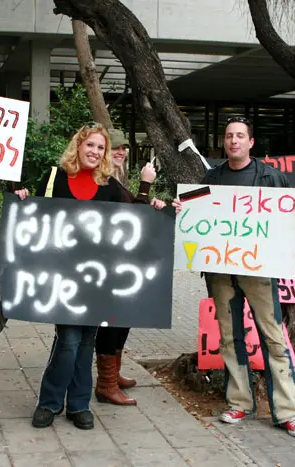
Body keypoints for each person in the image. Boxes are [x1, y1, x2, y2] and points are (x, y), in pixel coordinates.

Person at [201, 116, 295, 437]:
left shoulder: (272, 179)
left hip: (260, 272)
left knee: (274, 338)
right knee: (229, 337)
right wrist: (183, 206)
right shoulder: (212, 177)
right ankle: (239, 403)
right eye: (229, 136)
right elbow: (195, 211)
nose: (234, 141)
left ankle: (288, 412)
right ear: (224, 142)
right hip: (221, 271)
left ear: (251, 143)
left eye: (240, 136)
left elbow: (290, 215)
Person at [14, 123, 124, 430]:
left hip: (95, 280)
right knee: (69, 340)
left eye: (101, 148)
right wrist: (22, 199)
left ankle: (78, 405)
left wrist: (158, 207)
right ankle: (50, 403)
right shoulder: (54, 178)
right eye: (90, 145)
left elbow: (133, 222)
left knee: (85, 341)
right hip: (60, 278)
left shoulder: (110, 187)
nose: (95, 152)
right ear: (78, 146)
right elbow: (35, 218)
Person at [93, 129, 169, 406]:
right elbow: (128, 219)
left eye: (123, 147)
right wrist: (146, 186)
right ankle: (105, 384)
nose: (120, 152)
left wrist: (151, 203)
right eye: (114, 147)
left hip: (123, 264)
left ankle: (114, 375)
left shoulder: (116, 179)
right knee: (111, 322)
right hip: (109, 266)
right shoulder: (102, 181)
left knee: (122, 319)